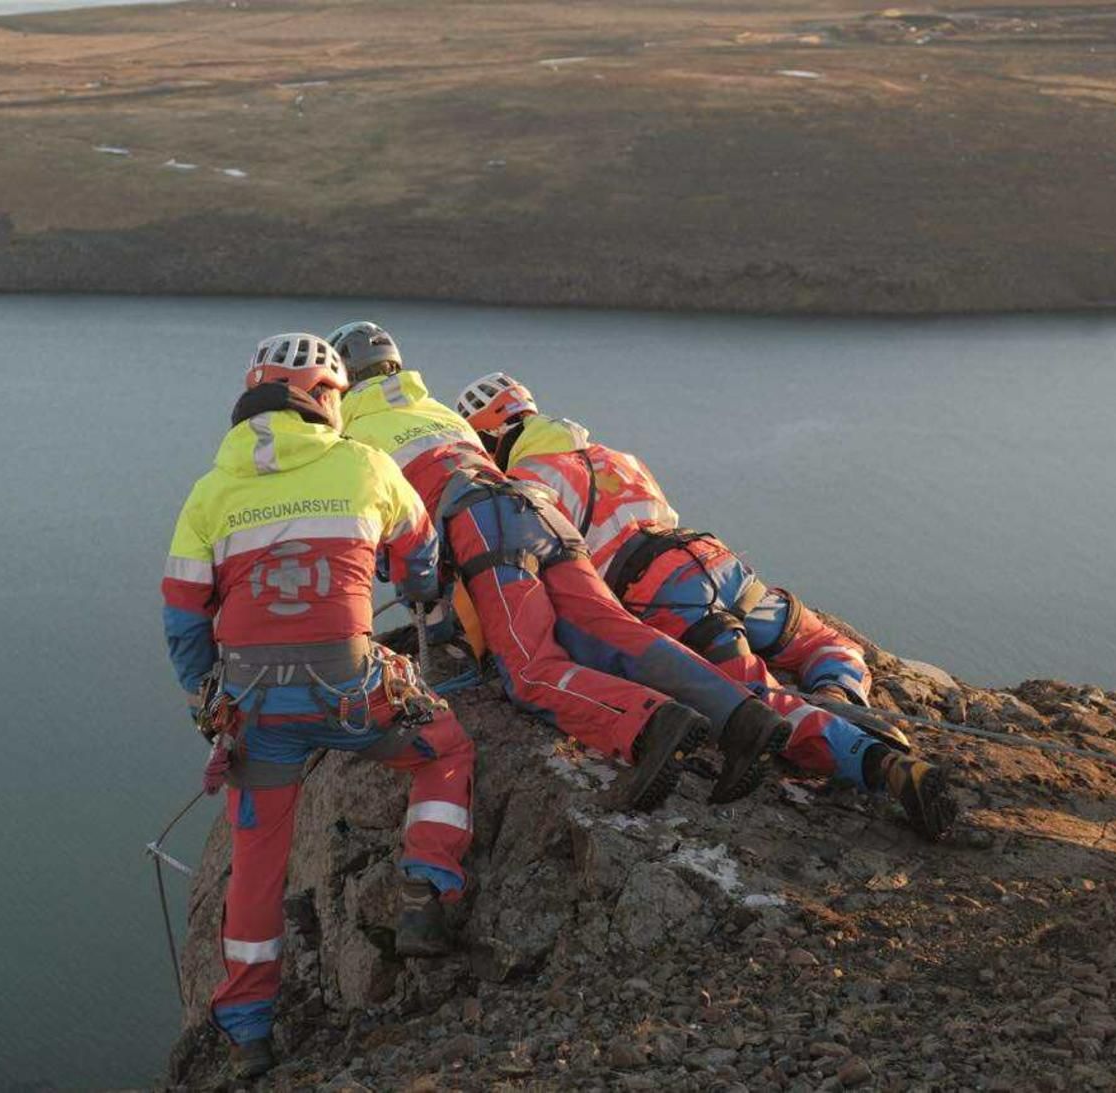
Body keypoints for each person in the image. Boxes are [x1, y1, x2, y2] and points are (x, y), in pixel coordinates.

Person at [452, 371, 958, 840]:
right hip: (714, 561)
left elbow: (528, 570)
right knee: (823, 642)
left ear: (491, 437)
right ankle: (842, 694)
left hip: (661, 594)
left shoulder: (525, 483)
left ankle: (875, 761)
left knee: (752, 702)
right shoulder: (619, 458)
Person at [162, 333, 475, 1080]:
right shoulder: (366, 464)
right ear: (321, 395)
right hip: (355, 693)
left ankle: (247, 1034)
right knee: (447, 747)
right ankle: (426, 889)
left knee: (256, 868)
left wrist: (209, 697)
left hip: (257, 711)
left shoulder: (210, 490)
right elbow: (422, 560)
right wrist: (416, 590)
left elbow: (182, 620)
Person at [328, 321, 797, 812]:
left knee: (531, 670)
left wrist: (421, 593)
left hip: (481, 524)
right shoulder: (436, 410)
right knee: (614, 628)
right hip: (537, 508)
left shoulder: (353, 440)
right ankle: (743, 718)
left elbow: (400, 543)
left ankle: (648, 723)